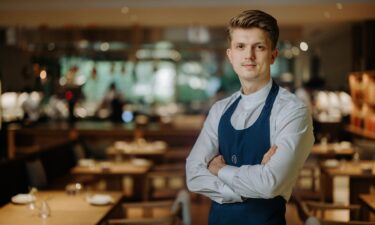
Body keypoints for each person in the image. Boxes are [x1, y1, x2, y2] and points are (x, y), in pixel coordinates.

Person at [185, 9, 314, 225]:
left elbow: (270, 183)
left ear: (273, 55)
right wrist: (245, 189)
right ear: (230, 55)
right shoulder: (219, 110)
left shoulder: (292, 111)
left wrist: (220, 170)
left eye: (259, 47)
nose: (249, 56)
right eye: (241, 46)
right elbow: (193, 175)